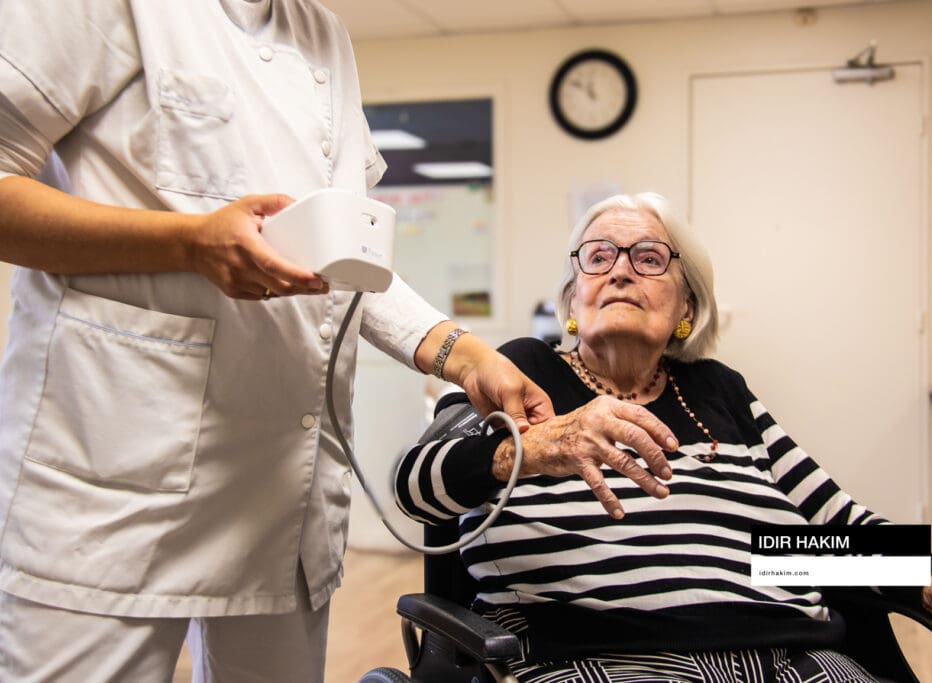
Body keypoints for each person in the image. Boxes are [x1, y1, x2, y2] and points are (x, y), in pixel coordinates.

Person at [0, 1, 552, 681]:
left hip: (279, 493)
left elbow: (342, 260)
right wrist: (188, 243)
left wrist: (464, 355)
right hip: (115, 476)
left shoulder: (320, 34)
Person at [395, 192, 932, 683]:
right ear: (572, 299)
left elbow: (827, 531)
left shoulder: (719, 392)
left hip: (790, 657)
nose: (620, 271)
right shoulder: (523, 369)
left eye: (648, 258)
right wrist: (533, 450)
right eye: (598, 256)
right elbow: (415, 486)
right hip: (594, 657)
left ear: (687, 308)